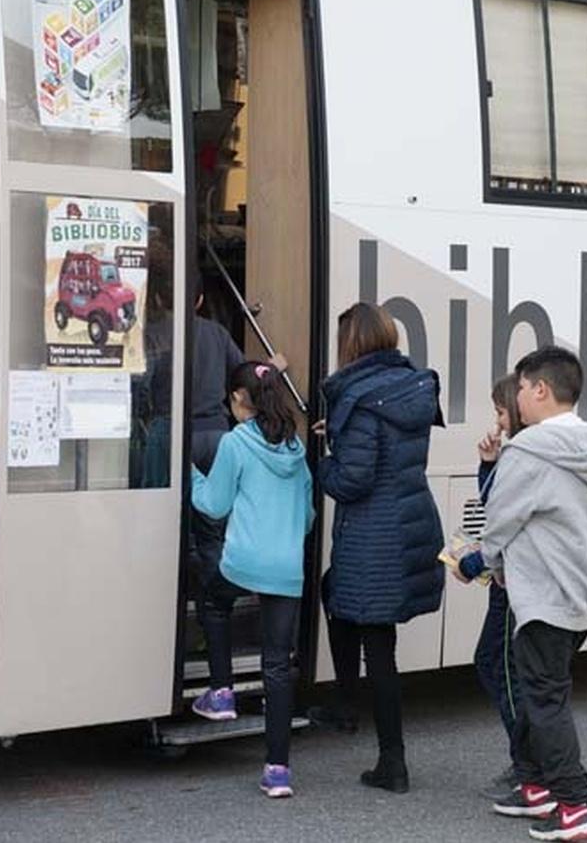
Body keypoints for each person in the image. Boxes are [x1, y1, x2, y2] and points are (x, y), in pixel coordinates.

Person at [480, 346, 587, 842]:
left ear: (540, 390)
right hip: (585, 592)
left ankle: (575, 806)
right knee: (542, 691)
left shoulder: (528, 452)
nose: (516, 398)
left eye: (520, 388)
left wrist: (485, 562)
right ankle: (535, 786)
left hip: (544, 597)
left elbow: (500, 519)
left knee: (545, 700)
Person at [308, 302, 444, 794]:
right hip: (406, 522)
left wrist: (322, 460)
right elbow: (385, 450)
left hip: (375, 533)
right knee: (336, 595)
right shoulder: (409, 386)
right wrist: (340, 433)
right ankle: (346, 706)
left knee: (379, 646)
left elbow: (353, 480)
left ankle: (393, 762)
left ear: (351, 344)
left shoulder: (361, 398)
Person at [190, 362, 314, 798]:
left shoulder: (236, 442)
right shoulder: (296, 446)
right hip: (286, 567)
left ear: (241, 399)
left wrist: (190, 475)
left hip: (242, 562)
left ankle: (222, 691)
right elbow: (308, 516)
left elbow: (214, 504)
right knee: (276, 666)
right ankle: (278, 771)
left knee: (213, 602)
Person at [186, 273, 287, 722]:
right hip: (214, 433)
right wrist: (274, 366)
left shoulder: (155, 333)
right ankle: (213, 583)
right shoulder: (215, 332)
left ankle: (203, 599)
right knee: (211, 536)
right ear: (201, 299)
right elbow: (245, 373)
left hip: (178, 437)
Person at [452, 375, 528, 800]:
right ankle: (527, 760)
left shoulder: (527, 455)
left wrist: (474, 562)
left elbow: (506, 521)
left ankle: (528, 766)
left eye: (500, 412)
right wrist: (488, 464)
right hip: (508, 579)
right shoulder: (514, 454)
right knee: (498, 664)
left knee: (503, 668)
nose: (497, 421)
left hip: (515, 581)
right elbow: (495, 504)